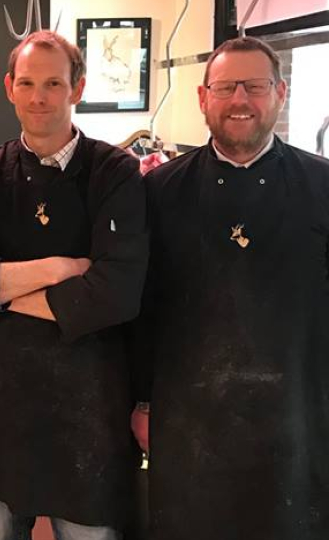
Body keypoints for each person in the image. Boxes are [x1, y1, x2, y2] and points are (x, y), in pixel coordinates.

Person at [0, 30, 148, 540]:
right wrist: (55, 269)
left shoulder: (115, 172)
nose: (39, 97)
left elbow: (116, 292)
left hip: (87, 404)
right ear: (8, 86)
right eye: (26, 83)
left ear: (78, 87)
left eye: (53, 83)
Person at [132, 36, 329, 540]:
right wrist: (142, 402)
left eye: (255, 86)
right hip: (189, 420)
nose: (240, 99)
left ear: (280, 94)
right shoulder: (156, 192)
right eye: (225, 87)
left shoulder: (323, 186)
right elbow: (143, 309)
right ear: (203, 98)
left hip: (298, 417)